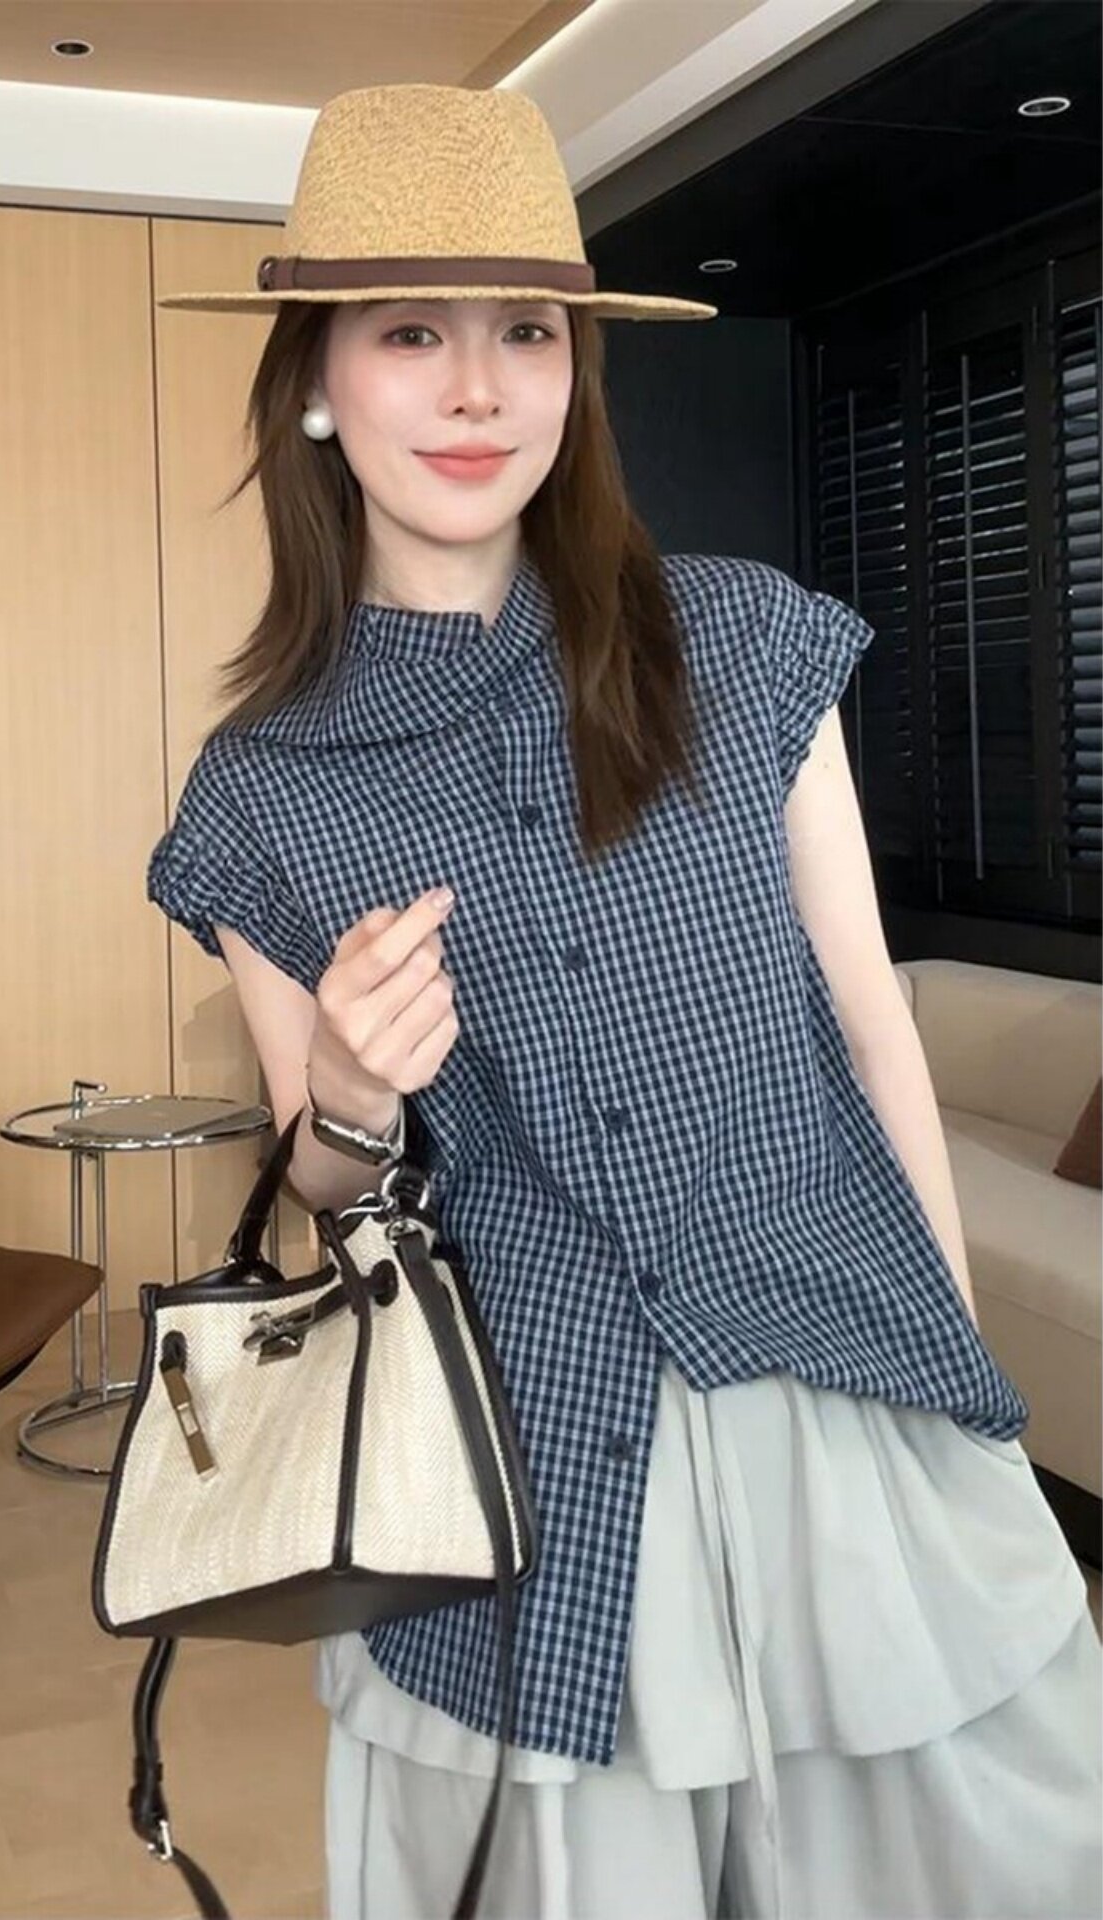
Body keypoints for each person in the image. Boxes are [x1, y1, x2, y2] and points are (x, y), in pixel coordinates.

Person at [146, 81, 1102, 1920]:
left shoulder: (741, 643)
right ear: (317, 385)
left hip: (840, 1402)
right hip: (521, 1461)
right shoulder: (260, 792)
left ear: (576, 376)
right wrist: (350, 1082)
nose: (478, 390)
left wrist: (971, 1372)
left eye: (527, 334)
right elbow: (320, 1182)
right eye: (410, 335)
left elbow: (873, 1037)